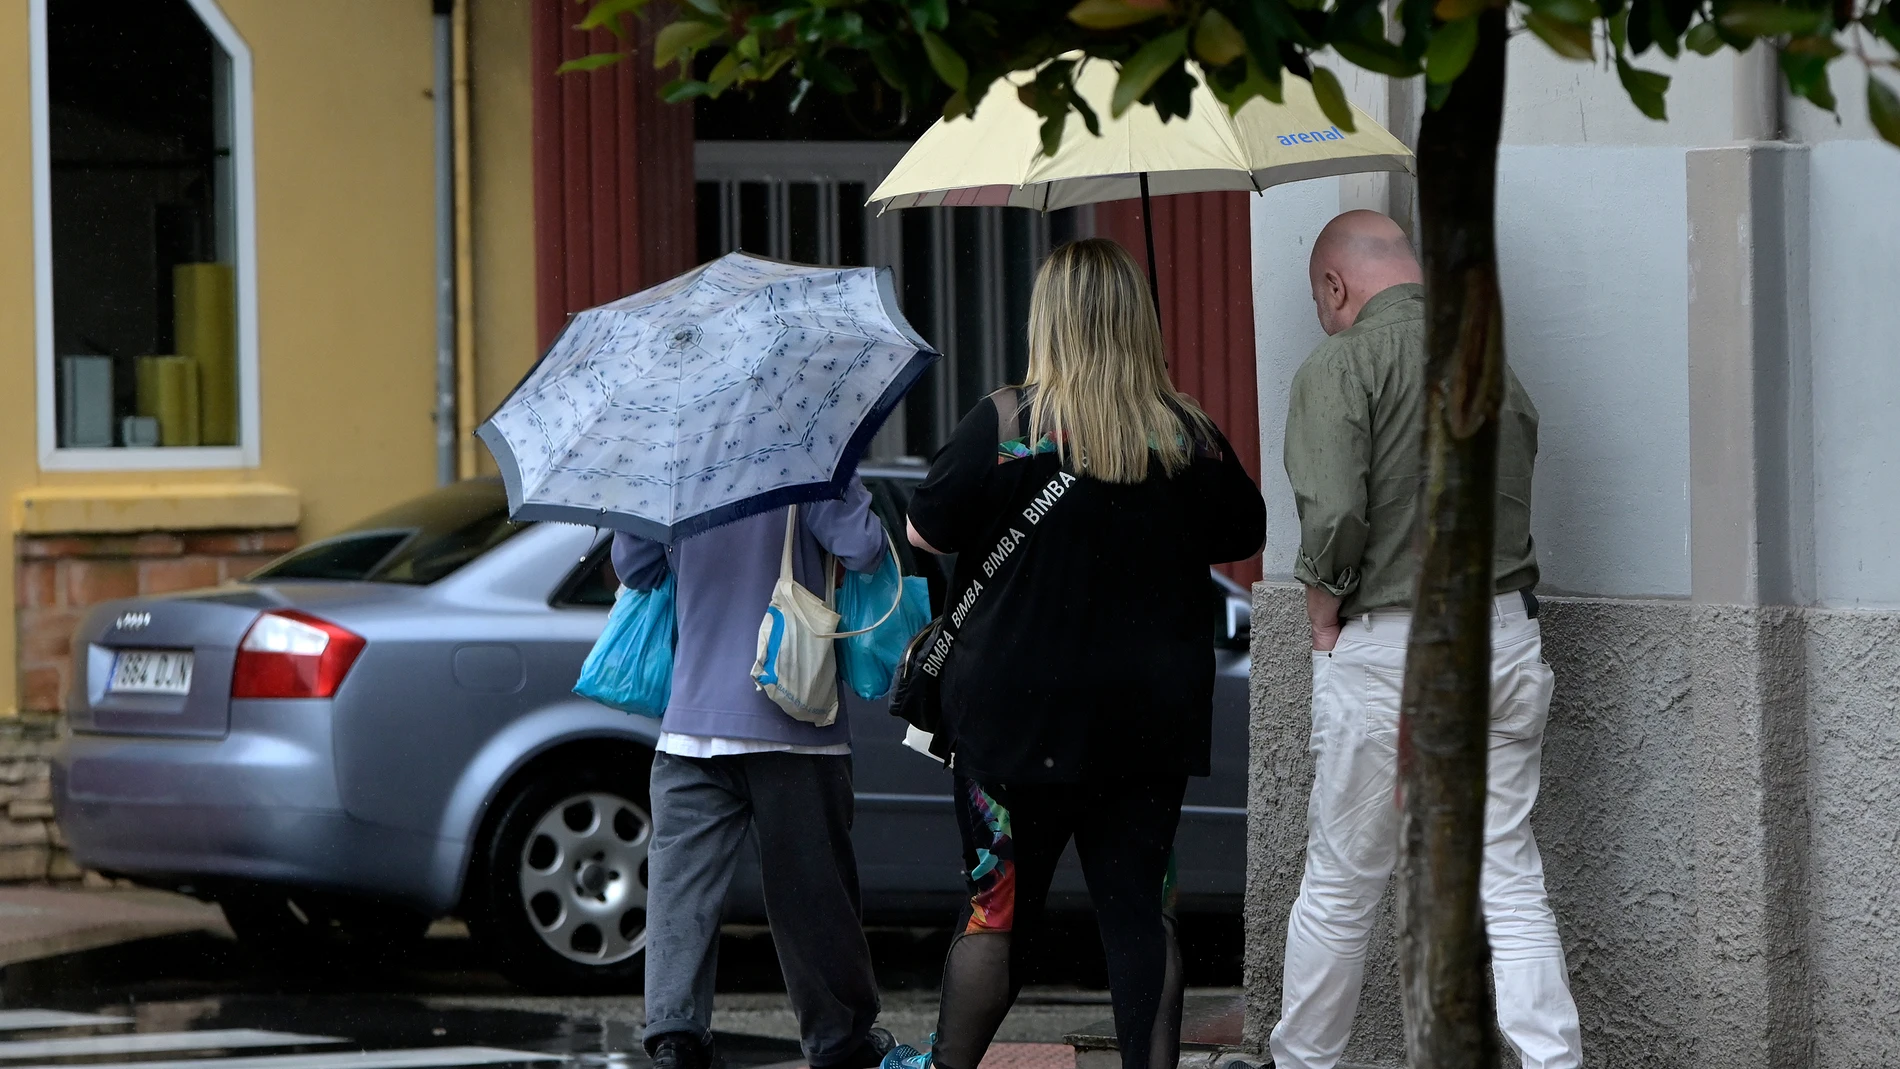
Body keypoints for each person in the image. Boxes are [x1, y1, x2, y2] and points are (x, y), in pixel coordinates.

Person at [881, 238, 1267, 1069]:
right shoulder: (1187, 435)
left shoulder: (1007, 423)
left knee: (997, 906)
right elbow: (1246, 530)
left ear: (1047, 320)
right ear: (1137, 322)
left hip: (1012, 715)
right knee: (1138, 911)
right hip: (1145, 718)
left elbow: (924, 527)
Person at [1270, 211, 1582, 1069]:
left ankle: (1304, 1064)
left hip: (1390, 648)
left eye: (1320, 300)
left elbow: (1334, 510)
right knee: (1508, 878)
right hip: (1502, 634)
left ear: (1336, 286)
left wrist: (1321, 618)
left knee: (1342, 885)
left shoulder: (1342, 363)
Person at [611, 490, 895, 1069]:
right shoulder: (807, 456)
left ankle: (674, 1036)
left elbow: (634, 568)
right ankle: (837, 1039)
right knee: (811, 894)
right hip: (793, 720)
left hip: (690, 723)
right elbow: (864, 550)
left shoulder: (678, 462)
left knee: (679, 892)